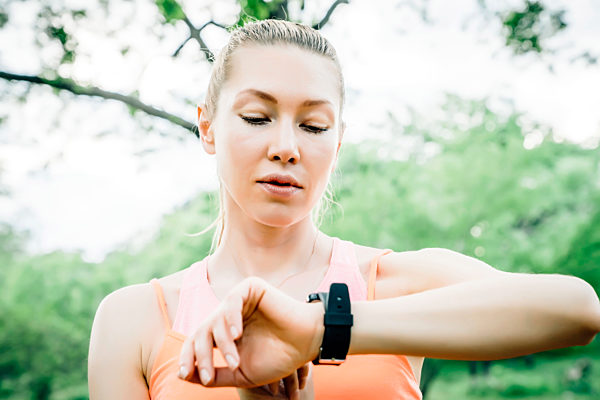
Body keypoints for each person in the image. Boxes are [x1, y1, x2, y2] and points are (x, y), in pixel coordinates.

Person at [88, 19, 600, 400]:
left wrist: (320, 331)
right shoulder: (133, 320)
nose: (286, 146)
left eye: (314, 126)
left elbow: (576, 310)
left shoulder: (396, 281)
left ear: (337, 143)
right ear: (207, 126)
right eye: (257, 116)